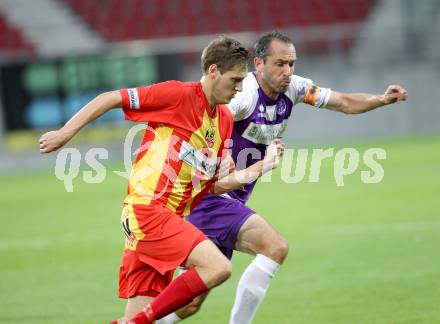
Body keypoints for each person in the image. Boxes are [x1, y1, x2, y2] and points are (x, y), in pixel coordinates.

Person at [157, 31, 408, 324]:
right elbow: (213, 114)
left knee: (189, 303)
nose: (287, 71)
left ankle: (142, 320)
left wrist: (382, 99)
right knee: (274, 247)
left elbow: (344, 103)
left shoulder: (296, 89)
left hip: (227, 199)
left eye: (291, 63)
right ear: (259, 63)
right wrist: (216, 152)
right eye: (280, 64)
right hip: (212, 198)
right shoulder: (245, 94)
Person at [39, 36, 286, 324]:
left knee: (169, 303)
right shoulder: (177, 95)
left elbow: (212, 187)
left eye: (243, 81)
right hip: (147, 212)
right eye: (235, 80)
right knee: (218, 267)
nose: (240, 88)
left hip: (166, 221)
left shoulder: (223, 120)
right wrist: (65, 133)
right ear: (213, 71)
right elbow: (110, 98)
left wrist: (261, 166)